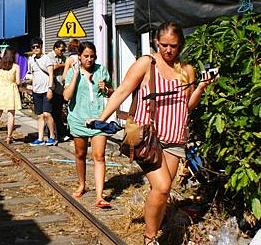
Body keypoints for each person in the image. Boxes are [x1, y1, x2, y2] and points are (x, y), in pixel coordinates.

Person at [88, 21, 214, 245]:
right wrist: (101, 118)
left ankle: (153, 227)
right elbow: (123, 90)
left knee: (162, 191)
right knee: (163, 186)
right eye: (164, 44)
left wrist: (202, 87)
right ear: (156, 42)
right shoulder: (146, 63)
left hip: (175, 138)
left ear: (181, 45)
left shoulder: (187, 70)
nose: (168, 50)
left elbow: (187, 106)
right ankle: (150, 238)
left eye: (173, 46)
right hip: (148, 137)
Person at [63, 42, 114, 208]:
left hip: (99, 119)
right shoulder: (73, 72)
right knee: (80, 154)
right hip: (78, 118)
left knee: (99, 156)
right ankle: (82, 184)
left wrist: (106, 88)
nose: (89, 59)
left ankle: (99, 196)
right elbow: (66, 96)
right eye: (86, 56)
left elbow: (113, 92)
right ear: (79, 56)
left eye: (92, 56)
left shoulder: (101, 70)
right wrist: (76, 76)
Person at [0, 48, 21, 145]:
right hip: (11, 91)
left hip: (1, 91)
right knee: (11, 115)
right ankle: (9, 137)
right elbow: (18, 81)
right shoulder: (16, 67)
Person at [27, 37, 57, 146]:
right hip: (36, 90)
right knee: (40, 115)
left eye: (37, 46)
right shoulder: (31, 60)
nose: (35, 48)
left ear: (41, 46)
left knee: (47, 114)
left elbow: (51, 74)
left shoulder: (47, 59)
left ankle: (52, 136)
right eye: (33, 47)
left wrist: (50, 89)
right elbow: (32, 74)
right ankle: (40, 138)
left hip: (46, 90)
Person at [47, 40, 69, 141]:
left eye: (64, 50)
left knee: (58, 112)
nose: (62, 52)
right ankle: (52, 134)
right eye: (61, 50)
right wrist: (64, 65)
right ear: (55, 48)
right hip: (52, 88)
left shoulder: (64, 58)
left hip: (60, 89)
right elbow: (53, 67)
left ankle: (58, 134)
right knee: (51, 112)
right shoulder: (49, 57)